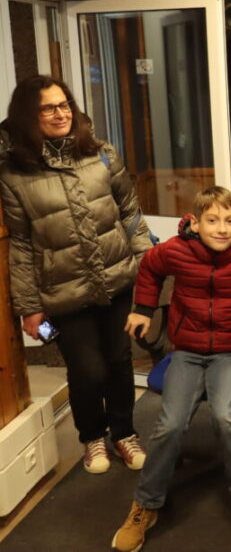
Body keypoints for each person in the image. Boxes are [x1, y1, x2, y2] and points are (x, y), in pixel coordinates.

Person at [112, 186, 231, 552]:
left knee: (226, 418)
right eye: (212, 220)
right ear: (195, 223)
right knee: (170, 424)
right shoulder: (176, 251)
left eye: (229, 220)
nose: (222, 229)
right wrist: (143, 309)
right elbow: (150, 268)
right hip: (187, 352)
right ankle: (146, 504)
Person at [0, 75, 151, 475]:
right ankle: (93, 437)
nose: (60, 113)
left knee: (119, 361)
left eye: (64, 104)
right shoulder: (15, 173)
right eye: (48, 108)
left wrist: (148, 266)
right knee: (88, 370)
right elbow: (21, 243)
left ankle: (124, 433)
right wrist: (29, 306)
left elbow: (130, 213)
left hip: (116, 278)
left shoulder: (101, 154)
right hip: (62, 289)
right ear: (28, 116)